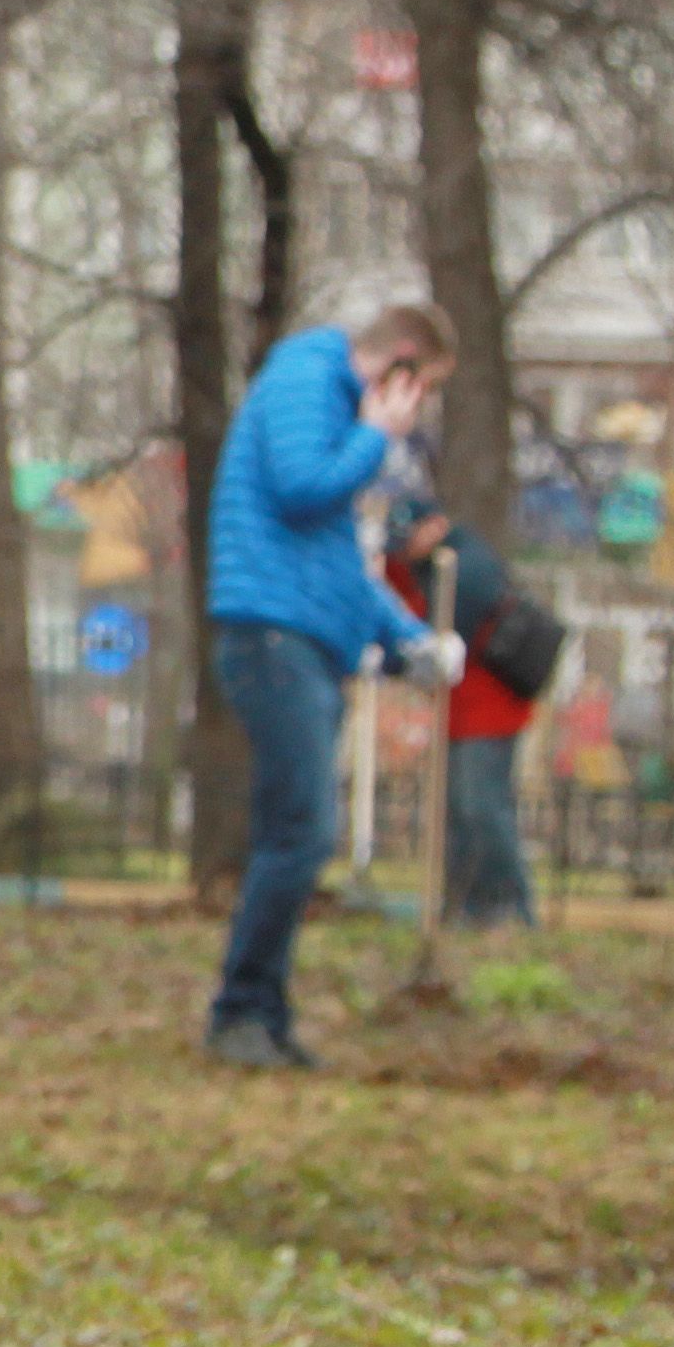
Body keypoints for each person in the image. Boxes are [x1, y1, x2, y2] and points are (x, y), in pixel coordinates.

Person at [202, 302, 466, 1068]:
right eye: (423, 392)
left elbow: (336, 564)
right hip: (272, 636)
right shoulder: (304, 382)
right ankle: (240, 1013)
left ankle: (265, 1015)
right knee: (304, 830)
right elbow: (297, 487)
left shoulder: (329, 409)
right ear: (399, 370)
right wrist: (377, 436)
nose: (419, 413)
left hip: (300, 638)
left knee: (296, 831)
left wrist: (408, 639)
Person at [389, 509, 541, 926]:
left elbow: (434, 627)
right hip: (465, 711)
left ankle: (509, 907)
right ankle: (468, 906)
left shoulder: (464, 566)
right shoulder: (438, 564)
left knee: (482, 808)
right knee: (462, 811)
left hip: (489, 711)